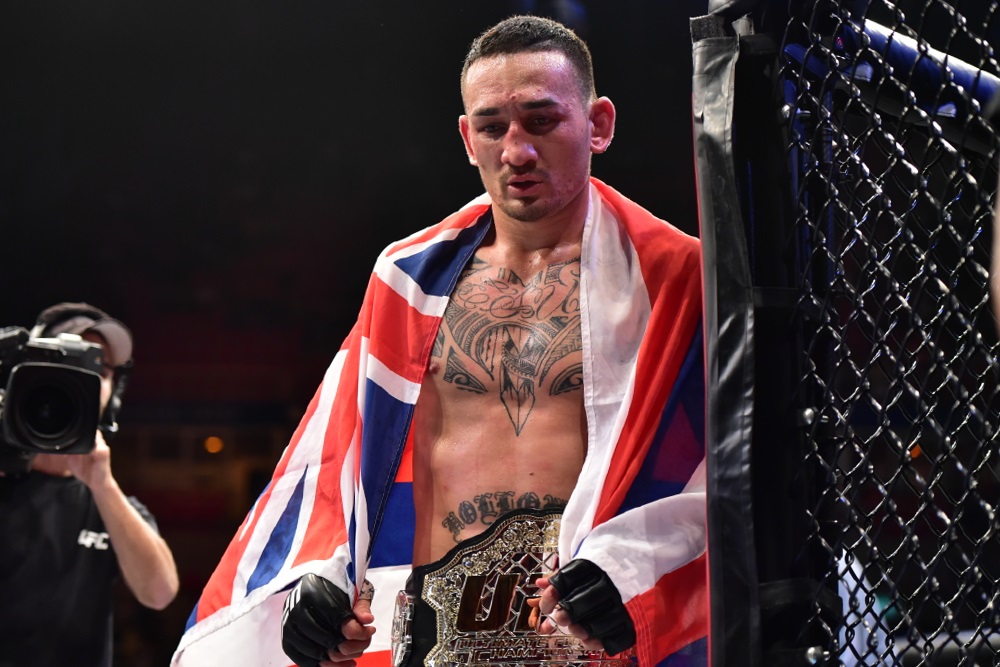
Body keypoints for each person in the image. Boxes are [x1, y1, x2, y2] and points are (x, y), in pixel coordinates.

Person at [173, 15, 707, 667]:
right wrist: (318, 573)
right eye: (493, 127)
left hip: (594, 638)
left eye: (541, 121)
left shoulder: (677, 280)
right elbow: (337, 456)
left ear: (598, 124)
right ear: (467, 138)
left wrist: (633, 571)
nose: (516, 151)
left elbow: (731, 474)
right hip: (439, 638)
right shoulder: (408, 279)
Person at [0, 302, 179, 667]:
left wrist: (103, 485)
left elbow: (159, 593)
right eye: (70, 360)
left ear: (114, 393)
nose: (90, 377)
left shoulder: (111, 503)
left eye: (103, 369)